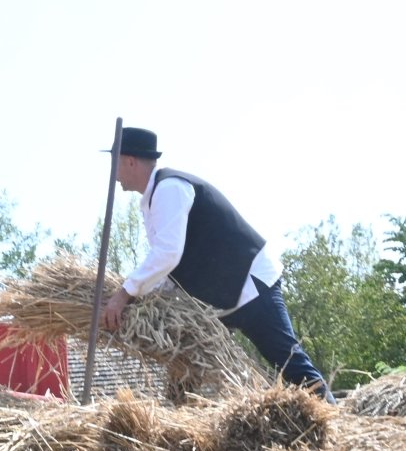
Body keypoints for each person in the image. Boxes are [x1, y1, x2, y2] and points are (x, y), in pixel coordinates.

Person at [97, 127, 334, 401]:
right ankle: (177, 426)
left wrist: (124, 294)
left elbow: (167, 254)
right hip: (223, 297)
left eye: (115, 162)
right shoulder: (154, 200)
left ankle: (338, 425)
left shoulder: (170, 189)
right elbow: (171, 270)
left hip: (250, 284)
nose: (113, 174)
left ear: (130, 161)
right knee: (184, 360)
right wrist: (141, 300)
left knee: (291, 363)